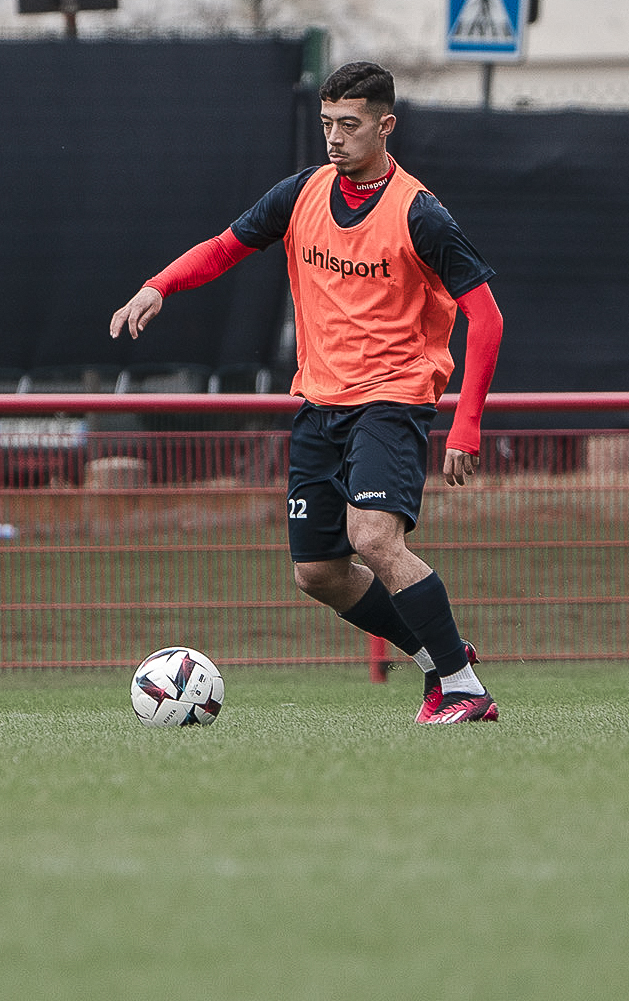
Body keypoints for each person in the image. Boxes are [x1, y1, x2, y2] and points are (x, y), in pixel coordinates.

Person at [110, 61, 504, 723]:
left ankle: (464, 689)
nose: (335, 138)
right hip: (321, 404)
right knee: (318, 573)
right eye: (326, 124)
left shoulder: (422, 215)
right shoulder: (302, 193)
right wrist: (159, 285)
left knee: (374, 538)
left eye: (349, 125)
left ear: (386, 126)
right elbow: (225, 247)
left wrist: (466, 426)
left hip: (393, 397)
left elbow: (487, 317)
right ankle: (440, 656)